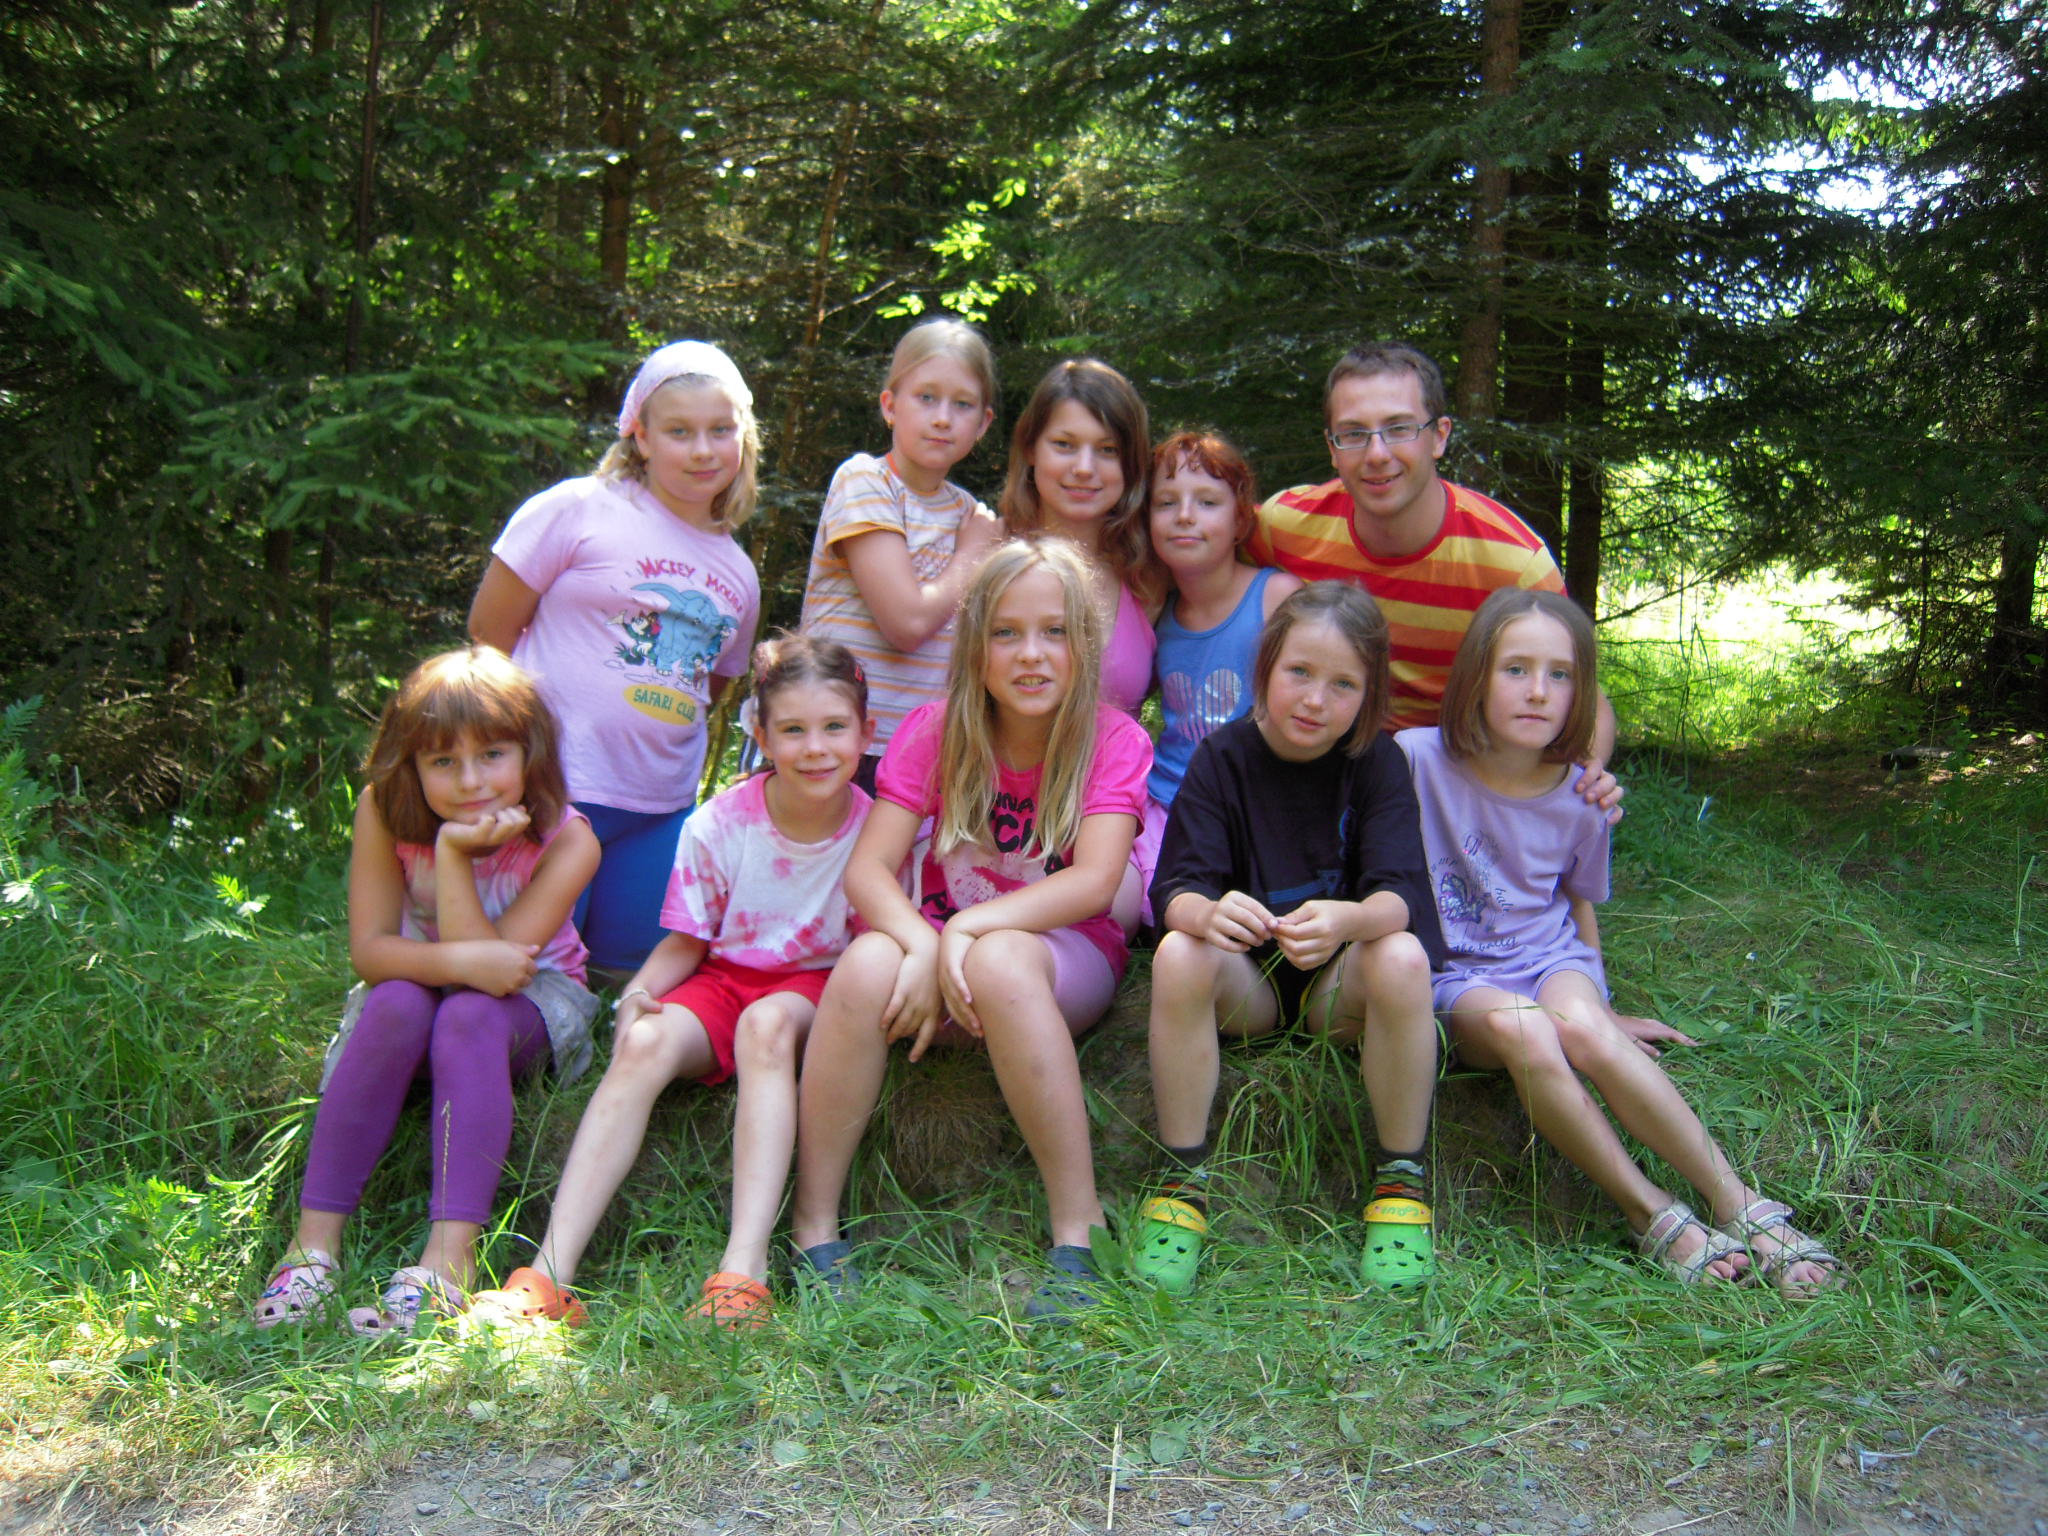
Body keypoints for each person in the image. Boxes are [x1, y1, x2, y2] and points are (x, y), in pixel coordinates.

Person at [1398, 589, 1842, 1293]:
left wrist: (1601, 1005)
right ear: (1475, 675)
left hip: (1551, 959)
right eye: (1515, 669)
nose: (1538, 691)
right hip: (1458, 976)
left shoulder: (1582, 795)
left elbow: (1575, 902)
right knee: (1526, 1031)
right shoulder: (1414, 760)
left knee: (1585, 1029)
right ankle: (1650, 1211)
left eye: (1560, 674)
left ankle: (1736, 1201)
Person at [788, 537, 1151, 1319]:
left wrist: (968, 929)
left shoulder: (1113, 739)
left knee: (1002, 961)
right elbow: (868, 872)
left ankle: (1079, 1232)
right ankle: (814, 1229)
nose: (1031, 654)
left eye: (1054, 632)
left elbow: (1095, 882)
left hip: (1058, 960)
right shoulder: (936, 730)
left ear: (1086, 645)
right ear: (975, 646)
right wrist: (926, 941)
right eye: (1007, 633)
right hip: (942, 955)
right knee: (863, 965)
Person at [471, 637, 876, 1330]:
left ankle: (743, 1274)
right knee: (645, 1041)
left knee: (766, 1026)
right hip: (724, 978)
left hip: (818, 989)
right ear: (760, 736)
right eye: (793, 730)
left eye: (835, 727)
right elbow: (689, 941)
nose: (815, 748)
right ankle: (548, 1274)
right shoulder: (720, 823)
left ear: (867, 733)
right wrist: (635, 995)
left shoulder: (877, 829)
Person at [253, 647, 600, 1336]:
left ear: (530, 752)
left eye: (492, 754)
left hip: (532, 1003)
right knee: (395, 1000)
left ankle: (448, 1263)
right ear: (409, 764)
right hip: (418, 990)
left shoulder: (571, 840)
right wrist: (445, 851)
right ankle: (310, 1251)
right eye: (443, 761)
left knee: (467, 1014)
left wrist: (453, 857)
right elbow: (372, 952)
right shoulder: (382, 812)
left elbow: (496, 975)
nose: (471, 781)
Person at [1140, 583, 1445, 1299]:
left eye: (1343, 685)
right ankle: (1181, 1181)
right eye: (1299, 672)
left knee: (1401, 955)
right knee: (1179, 951)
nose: (1315, 700)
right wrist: (1207, 916)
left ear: (1368, 696)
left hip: (1337, 994)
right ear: (1266, 668)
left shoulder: (1377, 762)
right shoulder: (1222, 757)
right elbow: (1174, 890)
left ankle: (1401, 1186)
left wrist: (1347, 922)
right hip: (1247, 989)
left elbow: (1402, 897)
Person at [470, 340, 763, 974]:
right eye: (679, 431)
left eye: (720, 430)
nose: (703, 450)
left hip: (657, 810)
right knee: (526, 964)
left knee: (629, 971)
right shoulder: (577, 508)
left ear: (742, 437)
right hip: (552, 788)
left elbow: (709, 687)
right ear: (642, 436)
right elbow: (488, 634)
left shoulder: (740, 573)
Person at [1249, 341, 1619, 811]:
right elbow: (1205, 574)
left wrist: (1586, 775)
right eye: (1354, 434)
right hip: (1315, 767)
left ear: (1439, 437)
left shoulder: (1514, 564)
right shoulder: (1285, 526)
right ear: (1333, 449)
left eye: (1399, 429)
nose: (1377, 453)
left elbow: (1583, 692)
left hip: (1453, 788)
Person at [800, 317, 1004, 787]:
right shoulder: (865, 481)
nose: (942, 418)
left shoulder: (968, 514)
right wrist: (973, 554)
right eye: (926, 397)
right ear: (890, 406)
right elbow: (907, 623)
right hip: (828, 741)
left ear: (983, 423)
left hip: (920, 754)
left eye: (963, 404)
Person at [1146, 430, 1301, 809]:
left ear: (1240, 521)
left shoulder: (1276, 598)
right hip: (1167, 800)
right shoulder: (1155, 609)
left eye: (1207, 502)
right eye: (1166, 502)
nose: (1184, 516)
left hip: (1254, 805)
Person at [1000, 358, 1163, 715]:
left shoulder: (1149, 577)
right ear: (1030, 448)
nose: (1085, 468)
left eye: (1108, 450)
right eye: (1064, 444)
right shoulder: (986, 549)